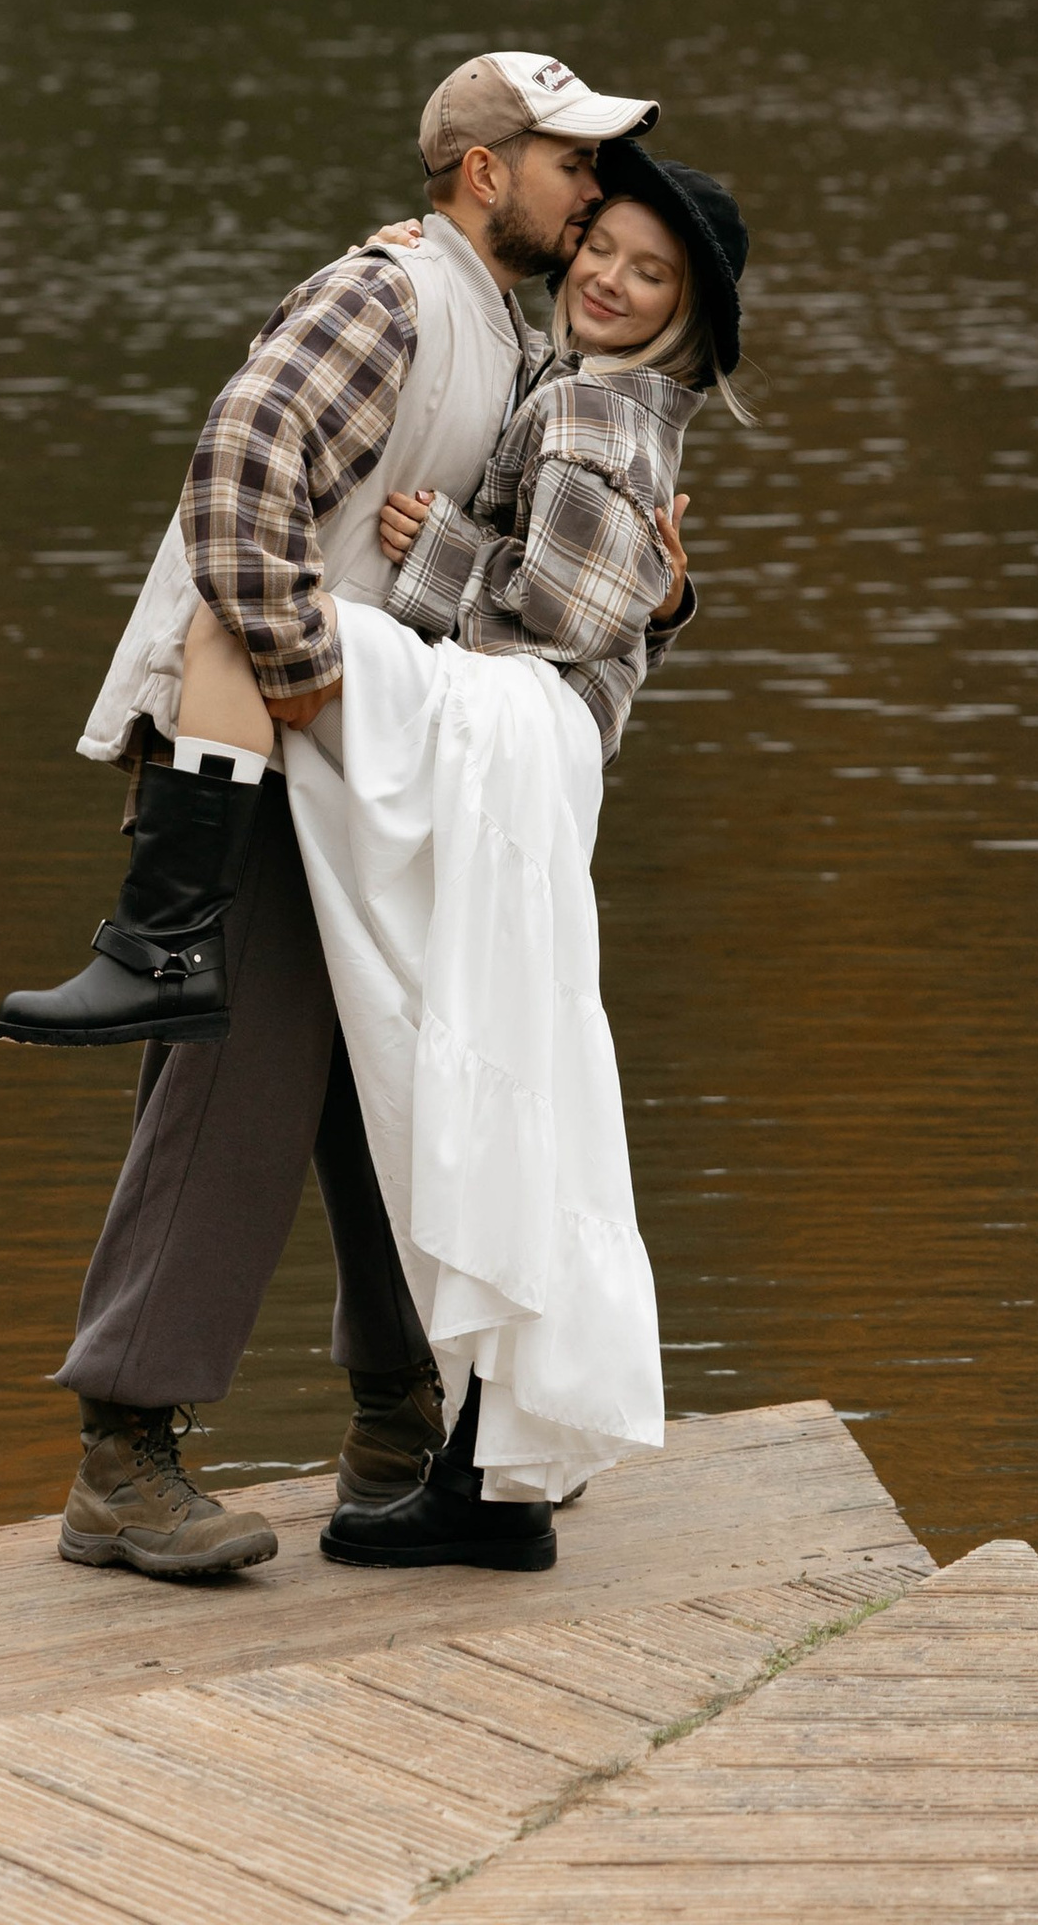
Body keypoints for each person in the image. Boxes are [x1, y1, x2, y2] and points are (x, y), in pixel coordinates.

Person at [0, 50, 684, 1585]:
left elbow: (546, 574)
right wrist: (299, 661)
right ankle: (124, 1454)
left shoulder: (511, 336)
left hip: (381, 768)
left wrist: (656, 585)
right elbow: (240, 466)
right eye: (572, 164)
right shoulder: (386, 296)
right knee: (228, 1081)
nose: (593, 198)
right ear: (488, 169)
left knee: (398, 1080)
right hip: (266, 748)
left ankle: (400, 1423)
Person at [285, 136, 749, 1574]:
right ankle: (503, 1462)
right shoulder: (576, 388)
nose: (609, 277)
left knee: (270, 629)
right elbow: (623, 594)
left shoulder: (615, 411)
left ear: (687, 307)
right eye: (602, 245)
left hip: (523, 728)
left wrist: (427, 561)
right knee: (492, 1052)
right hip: (525, 741)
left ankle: (165, 910)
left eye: (649, 271)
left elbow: (565, 606)